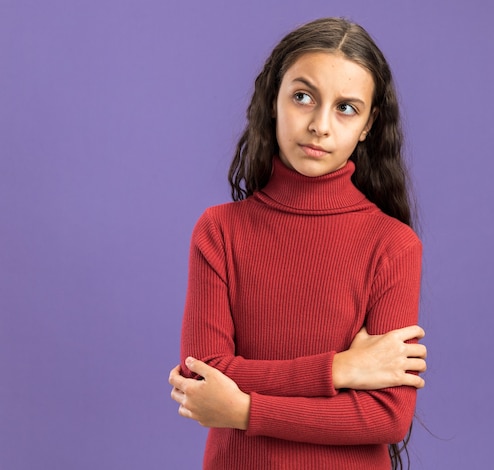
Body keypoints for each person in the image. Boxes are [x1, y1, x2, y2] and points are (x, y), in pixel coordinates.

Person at [169, 17, 427, 470]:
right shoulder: (219, 231)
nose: (320, 125)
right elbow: (201, 374)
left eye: (346, 107)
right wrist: (339, 370)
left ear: (369, 125)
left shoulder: (392, 245)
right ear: (273, 100)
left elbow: (385, 417)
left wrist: (245, 411)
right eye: (303, 97)